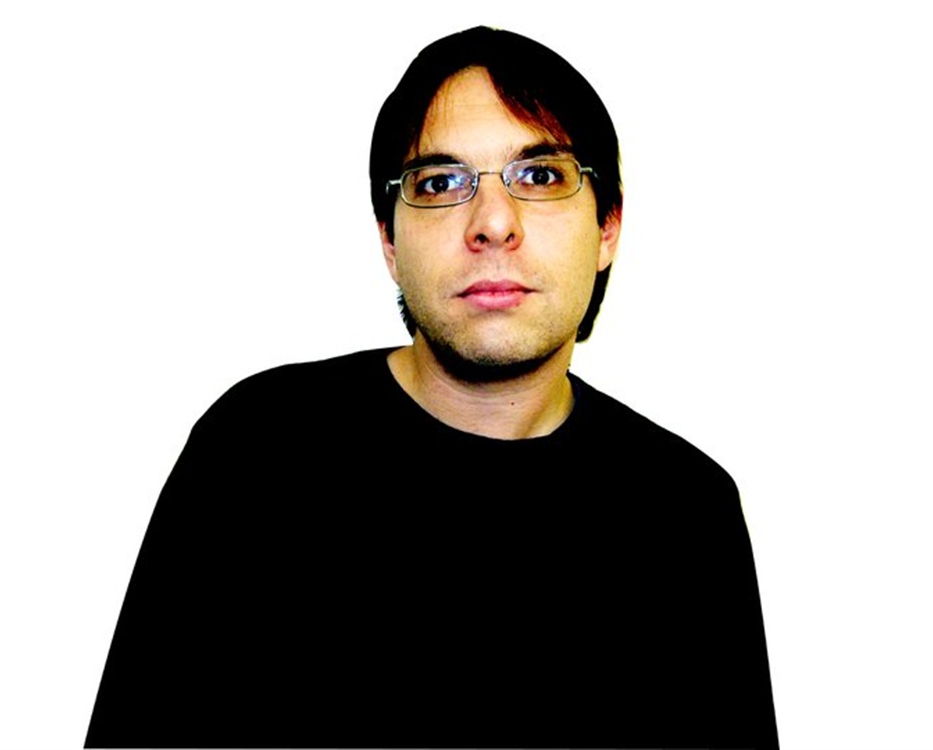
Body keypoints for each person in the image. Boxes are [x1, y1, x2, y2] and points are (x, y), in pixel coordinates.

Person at [86, 26, 779, 749]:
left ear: (608, 226)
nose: (493, 224)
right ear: (390, 241)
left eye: (541, 176)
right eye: (440, 183)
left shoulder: (686, 510)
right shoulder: (256, 450)